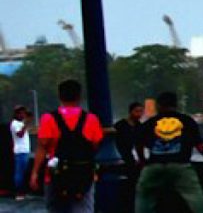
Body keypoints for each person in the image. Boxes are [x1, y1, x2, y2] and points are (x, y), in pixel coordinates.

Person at [30, 79, 104, 213]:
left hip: (55, 175)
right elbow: (95, 146)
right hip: (83, 175)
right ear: (80, 96)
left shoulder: (49, 118)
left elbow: (42, 147)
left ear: (59, 96)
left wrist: (35, 173)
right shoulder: (91, 119)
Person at [134, 92, 203, 213]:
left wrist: (143, 161)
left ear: (158, 105)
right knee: (195, 196)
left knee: (144, 197)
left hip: (154, 165)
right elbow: (200, 146)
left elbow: (139, 144)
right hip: (181, 166)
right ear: (176, 105)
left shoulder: (150, 123)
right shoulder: (187, 121)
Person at [10, 106, 32, 200]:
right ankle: (19, 193)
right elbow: (20, 134)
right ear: (17, 114)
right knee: (19, 173)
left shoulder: (20, 123)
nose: (23, 115)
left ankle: (23, 192)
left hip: (25, 151)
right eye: (22, 113)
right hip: (20, 152)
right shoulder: (14, 124)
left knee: (23, 173)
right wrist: (25, 124)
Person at [114, 103, 144, 169]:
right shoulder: (121, 124)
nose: (139, 114)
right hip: (121, 153)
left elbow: (139, 144)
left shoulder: (140, 126)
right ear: (130, 111)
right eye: (136, 111)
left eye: (141, 111)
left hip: (132, 154)